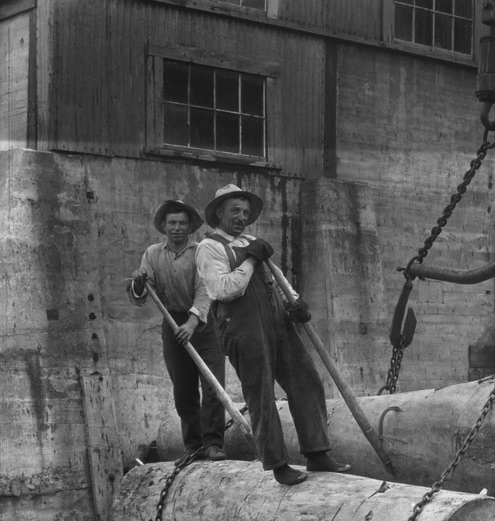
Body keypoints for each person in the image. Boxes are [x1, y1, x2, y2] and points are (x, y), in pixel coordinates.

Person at [195, 183, 350, 485]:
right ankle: (278, 465)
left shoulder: (253, 241)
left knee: (307, 381)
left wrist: (295, 301)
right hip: (242, 328)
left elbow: (275, 279)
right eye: (234, 211)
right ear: (218, 214)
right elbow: (224, 290)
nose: (241, 217)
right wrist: (252, 259)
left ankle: (317, 452)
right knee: (261, 394)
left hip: (277, 322)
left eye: (245, 212)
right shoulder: (209, 248)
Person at [128, 200, 227, 461]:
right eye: (172, 223)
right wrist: (139, 282)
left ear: (191, 227)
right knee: (183, 389)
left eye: (183, 223)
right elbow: (139, 295)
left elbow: (204, 290)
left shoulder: (200, 252)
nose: (177, 228)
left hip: (204, 324)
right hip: (172, 323)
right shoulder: (152, 254)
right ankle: (193, 445)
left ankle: (214, 443)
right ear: (163, 226)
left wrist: (192, 323)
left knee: (213, 386)